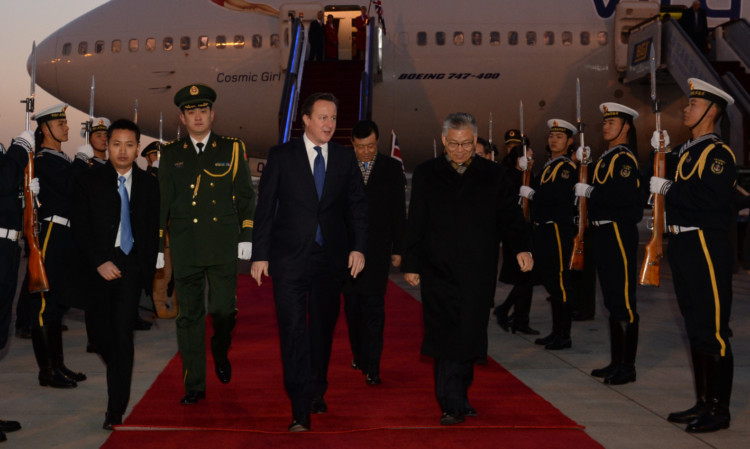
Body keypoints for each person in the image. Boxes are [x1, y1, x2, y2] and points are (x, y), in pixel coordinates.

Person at [402, 113, 533, 426]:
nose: (459, 150)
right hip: (438, 269)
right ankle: (449, 402)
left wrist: (523, 247)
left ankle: (461, 395)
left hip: (478, 269)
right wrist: (411, 262)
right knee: (444, 335)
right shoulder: (426, 173)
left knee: (471, 334)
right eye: (453, 144)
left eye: (465, 144)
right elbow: (416, 219)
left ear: (475, 142)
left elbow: (510, 217)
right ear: (444, 141)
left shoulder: (493, 175)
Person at [250, 92, 367, 432]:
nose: (330, 124)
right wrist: (260, 254)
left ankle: (317, 389)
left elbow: (357, 208)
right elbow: (265, 209)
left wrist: (358, 247)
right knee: (292, 329)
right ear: (305, 119)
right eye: (323, 118)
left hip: (329, 259)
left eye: (333, 118)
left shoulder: (345, 159)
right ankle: (298, 403)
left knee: (323, 329)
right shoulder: (282, 156)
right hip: (288, 259)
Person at [158, 83, 256, 405]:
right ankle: (195, 385)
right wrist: (160, 248)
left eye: (203, 111)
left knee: (223, 310)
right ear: (182, 118)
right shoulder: (171, 154)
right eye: (191, 112)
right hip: (186, 246)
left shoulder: (231, 148)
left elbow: (245, 195)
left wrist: (246, 235)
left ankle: (220, 346)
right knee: (189, 317)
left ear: (212, 114)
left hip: (222, 243)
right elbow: (163, 204)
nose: (197, 117)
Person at [650, 79, 736, 433]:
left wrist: (669, 187)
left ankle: (719, 409)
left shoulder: (718, 154)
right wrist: (661, 154)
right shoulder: (687, 151)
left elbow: (710, 199)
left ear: (712, 111)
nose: (686, 109)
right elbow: (659, 178)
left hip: (706, 246)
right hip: (683, 245)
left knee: (713, 330)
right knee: (696, 327)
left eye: (694, 104)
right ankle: (703, 401)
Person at [71, 119, 159, 430]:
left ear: (137, 148)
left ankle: (115, 409)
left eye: (129, 144)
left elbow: (151, 226)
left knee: (123, 335)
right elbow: (79, 228)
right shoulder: (88, 180)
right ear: (107, 146)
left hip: (131, 266)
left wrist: (153, 260)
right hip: (97, 268)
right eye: (117, 144)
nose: (123, 150)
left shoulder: (149, 184)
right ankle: (119, 368)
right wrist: (99, 262)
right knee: (99, 335)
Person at [18, 103, 92, 389]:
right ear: (45, 128)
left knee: (56, 305)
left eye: (65, 122)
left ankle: (58, 364)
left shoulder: (60, 159)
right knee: (44, 305)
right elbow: (68, 189)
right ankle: (46, 370)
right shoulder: (44, 160)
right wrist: (79, 165)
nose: (67, 127)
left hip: (65, 235)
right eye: (60, 124)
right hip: (50, 231)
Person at [575, 102, 642, 385]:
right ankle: (617, 362)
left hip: (617, 232)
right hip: (602, 232)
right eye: (604, 122)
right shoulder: (607, 158)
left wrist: (590, 191)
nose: (605, 127)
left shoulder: (624, 159)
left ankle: (627, 367)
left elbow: (624, 200)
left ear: (626, 127)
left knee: (623, 302)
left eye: (612, 123)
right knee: (612, 301)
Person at [342, 120, 405, 386]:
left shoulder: (391, 168)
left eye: (370, 146)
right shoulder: (343, 166)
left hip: (378, 251)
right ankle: (359, 353)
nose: (366, 152)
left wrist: (399, 248)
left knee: (375, 309)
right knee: (353, 308)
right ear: (352, 145)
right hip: (347, 252)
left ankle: (373, 366)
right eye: (360, 147)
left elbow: (398, 212)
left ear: (377, 142)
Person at [521, 119, 577, 350]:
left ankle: (564, 335)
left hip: (557, 228)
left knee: (561, 282)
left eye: (560, 137)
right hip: (545, 227)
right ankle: (556, 331)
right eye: (552, 136)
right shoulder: (550, 166)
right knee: (552, 282)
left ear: (570, 141)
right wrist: (528, 172)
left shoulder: (566, 167)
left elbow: (557, 194)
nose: (554, 140)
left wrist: (532, 193)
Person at [0, 132, 39, 442]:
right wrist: (19, 150)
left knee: (1, 332)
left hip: (9, 248)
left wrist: (26, 194)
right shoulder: (9, 153)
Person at [493, 130, 538, 335]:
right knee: (524, 277)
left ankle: (516, 316)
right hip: (512, 228)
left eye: (519, 147)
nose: (514, 150)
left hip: (526, 227)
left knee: (526, 277)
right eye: (511, 147)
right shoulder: (503, 169)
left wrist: (526, 176)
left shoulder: (526, 169)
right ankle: (515, 316)